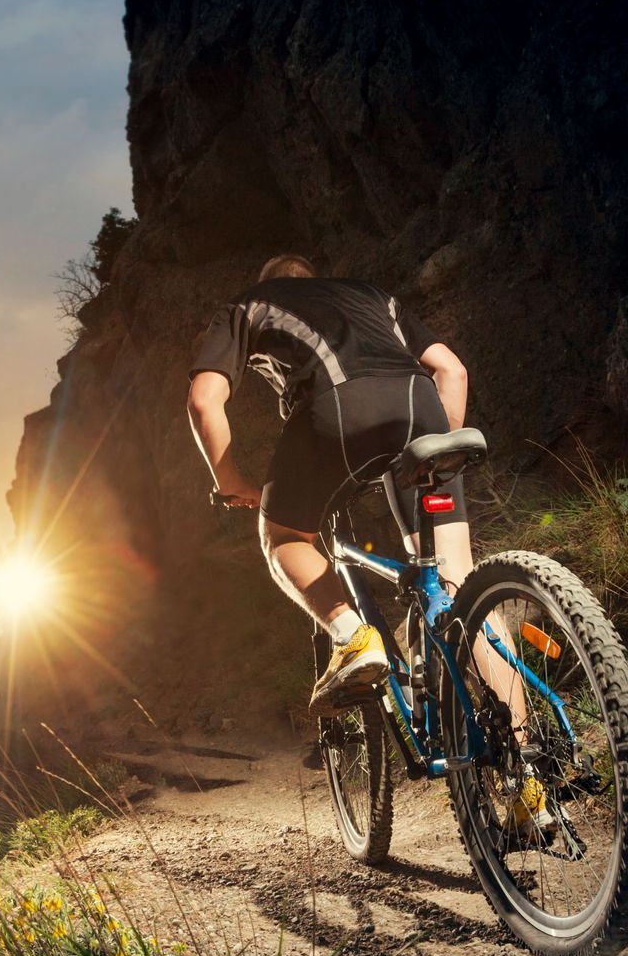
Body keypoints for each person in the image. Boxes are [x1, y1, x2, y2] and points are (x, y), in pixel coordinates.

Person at [185, 253, 476, 713]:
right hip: (419, 402)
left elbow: (204, 401)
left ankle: (352, 637)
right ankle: (530, 759)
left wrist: (231, 480)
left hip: (337, 406)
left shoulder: (248, 305)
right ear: (313, 279)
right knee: (461, 583)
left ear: (272, 283)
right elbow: (452, 372)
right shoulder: (373, 296)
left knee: (282, 537)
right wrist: (437, 457)